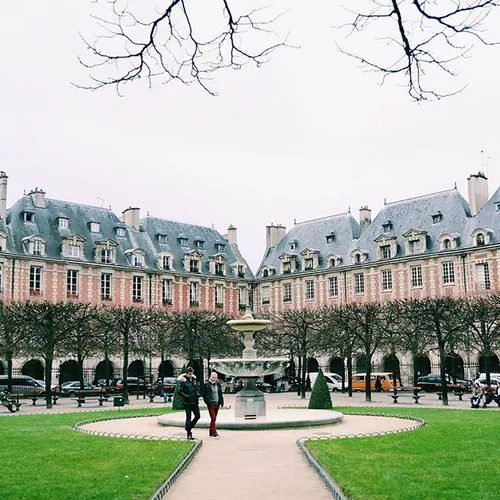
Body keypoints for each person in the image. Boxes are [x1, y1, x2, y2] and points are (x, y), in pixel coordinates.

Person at [178, 367, 200, 440]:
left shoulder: (194, 380)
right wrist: (186, 396)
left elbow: (196, 388)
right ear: (187, 373)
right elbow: (179, 391)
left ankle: (188, 427)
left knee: (197, 416)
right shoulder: (182, 381)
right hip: (187, 402)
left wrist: (198, 394)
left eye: (192, 373)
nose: (191, 375)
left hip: (194, 401)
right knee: (188, 417)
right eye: (190, 374)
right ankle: (189, 434)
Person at [201, 371, 224, 438]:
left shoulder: (218, 384)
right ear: (210, 377)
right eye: (213, 377)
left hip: (217, 403)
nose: (214, 379)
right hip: (211, 404)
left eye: (215, 377)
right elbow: (204, 395)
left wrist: (221, 401)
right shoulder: (207, 384)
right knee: (213, 418)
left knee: (214, 418)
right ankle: (214, 432)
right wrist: (208, 402)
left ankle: (211, 431)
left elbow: (220, 393)